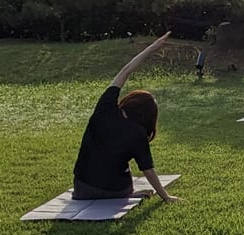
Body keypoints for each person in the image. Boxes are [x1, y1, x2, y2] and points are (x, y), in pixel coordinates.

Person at [72, 32, 179, 202]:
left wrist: (152, 47)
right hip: (114, 190)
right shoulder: (138, 134)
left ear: (129, 101)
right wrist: (165, 196)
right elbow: (148, 170)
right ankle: (126, 195)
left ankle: (125, 194)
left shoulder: (105, 107)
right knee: (123, 170)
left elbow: (126, 70)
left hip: (82, 189)